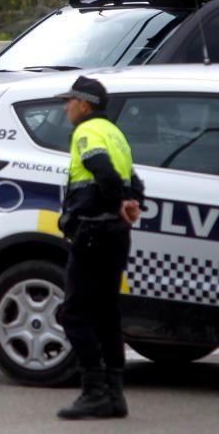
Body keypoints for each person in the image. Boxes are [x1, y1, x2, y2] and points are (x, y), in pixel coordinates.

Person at [55, 76, 143, 420]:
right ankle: (115, 395)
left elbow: (102, 171)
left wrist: (121, 199)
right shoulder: (116, 134)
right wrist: (130, 202)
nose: (66, 107)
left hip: (92, 232)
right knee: (107, 313)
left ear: (84, 104)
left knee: (74, 313)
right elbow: (134, 181)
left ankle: (94, 391)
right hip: (117, 234)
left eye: (70, 101)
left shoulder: (87, 132)